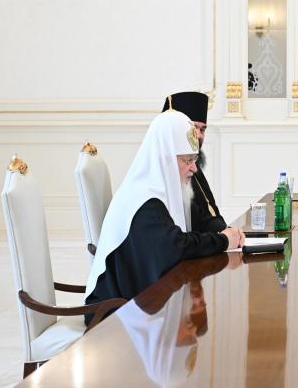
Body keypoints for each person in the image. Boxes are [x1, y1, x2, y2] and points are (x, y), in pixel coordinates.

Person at [85, 111, 245, 323]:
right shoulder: (143, 199)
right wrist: (223, 240)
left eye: (195, 159)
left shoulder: (166, 189)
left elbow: (195, 225)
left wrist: (227, 234)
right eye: (188, 160)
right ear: (165, 158)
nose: (194, 168)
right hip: (112, 317)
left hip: (139, 303)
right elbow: (176, 247)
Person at [162, 91, 227, 233]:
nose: (198, 135)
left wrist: (228, 233)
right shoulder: (165, 173)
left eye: (202, 130)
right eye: (193, 128)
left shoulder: (193, 168)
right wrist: (223, 237)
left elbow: (207, 214)